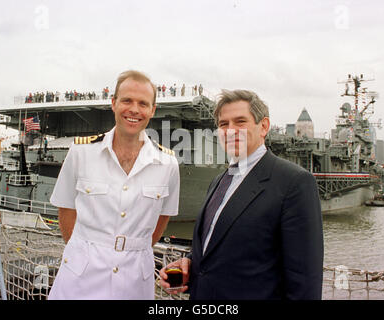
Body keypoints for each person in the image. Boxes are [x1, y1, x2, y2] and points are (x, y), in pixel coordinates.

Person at [160, 89, 323, 300]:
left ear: (264, 126)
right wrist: (190, 264)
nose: (230, 131)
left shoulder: (294, 182)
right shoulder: (219, 181)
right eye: (223, 124)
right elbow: (221, 245)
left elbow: (304, 280)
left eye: (240, 122)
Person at [48, 70, 180, 300]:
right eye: (127, 100)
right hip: (80, 277)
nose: (134, 110)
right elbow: (66, 209)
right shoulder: (81, 152)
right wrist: (85, 250)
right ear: (113, 103)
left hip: (135, 280)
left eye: (143, 103)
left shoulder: (167, 164)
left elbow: (162, 219)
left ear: (152, 110)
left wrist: (133, 248)